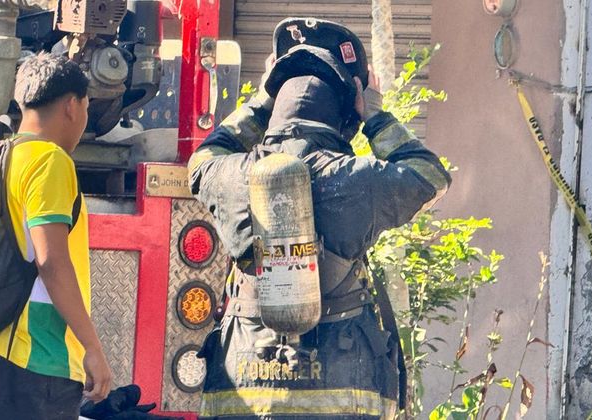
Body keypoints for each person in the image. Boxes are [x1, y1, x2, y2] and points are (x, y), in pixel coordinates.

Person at [188, 18, 451, 419]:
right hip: (343, 382)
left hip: (243, 382)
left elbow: (201, 160)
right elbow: (429, 175)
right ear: (346, 115)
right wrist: (376, 117)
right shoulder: (354, 179)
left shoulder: (234, 176)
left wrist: (259, 105)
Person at [0, 53, 112, 419]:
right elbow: (51, 262)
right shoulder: (50, 161)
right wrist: (92, 347)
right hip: (40, 352)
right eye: (86, 106)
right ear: (71, 105)